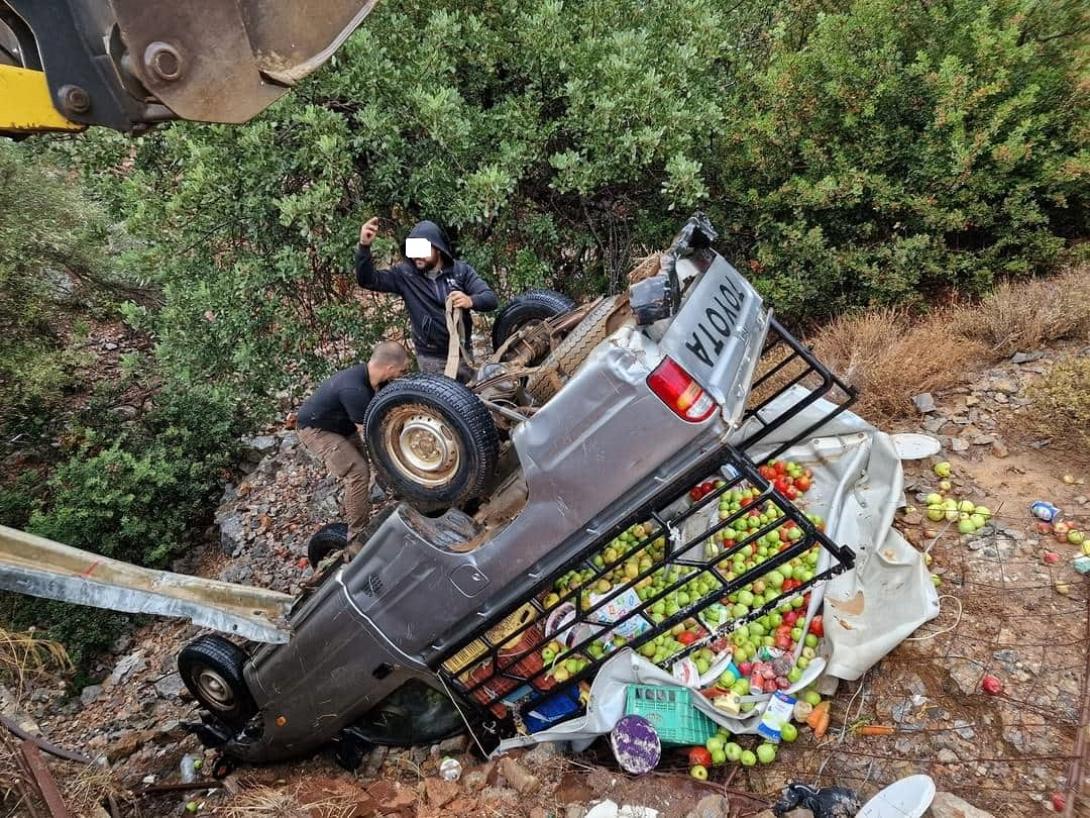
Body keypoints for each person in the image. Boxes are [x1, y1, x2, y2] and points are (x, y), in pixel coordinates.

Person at [296, 341, 410, 555]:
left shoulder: (377, 381)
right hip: (317, 430)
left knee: (370, 462)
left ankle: (395, 492)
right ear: (389, 368)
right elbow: (371, 434)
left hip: (342, 423)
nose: (403, 374)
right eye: (402, 370)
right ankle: (357, 536)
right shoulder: (354, 389)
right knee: (357, 473)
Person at [356, 217, 498, 379]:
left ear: (438, 248)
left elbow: (490, 299)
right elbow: (368, 280)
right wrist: (364, 246)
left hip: (462, 354)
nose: (417, 256)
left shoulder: (461, 271)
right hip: (431, 359)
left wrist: (470, 300)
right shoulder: (405, 275)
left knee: (468, 399)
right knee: (440, 403)